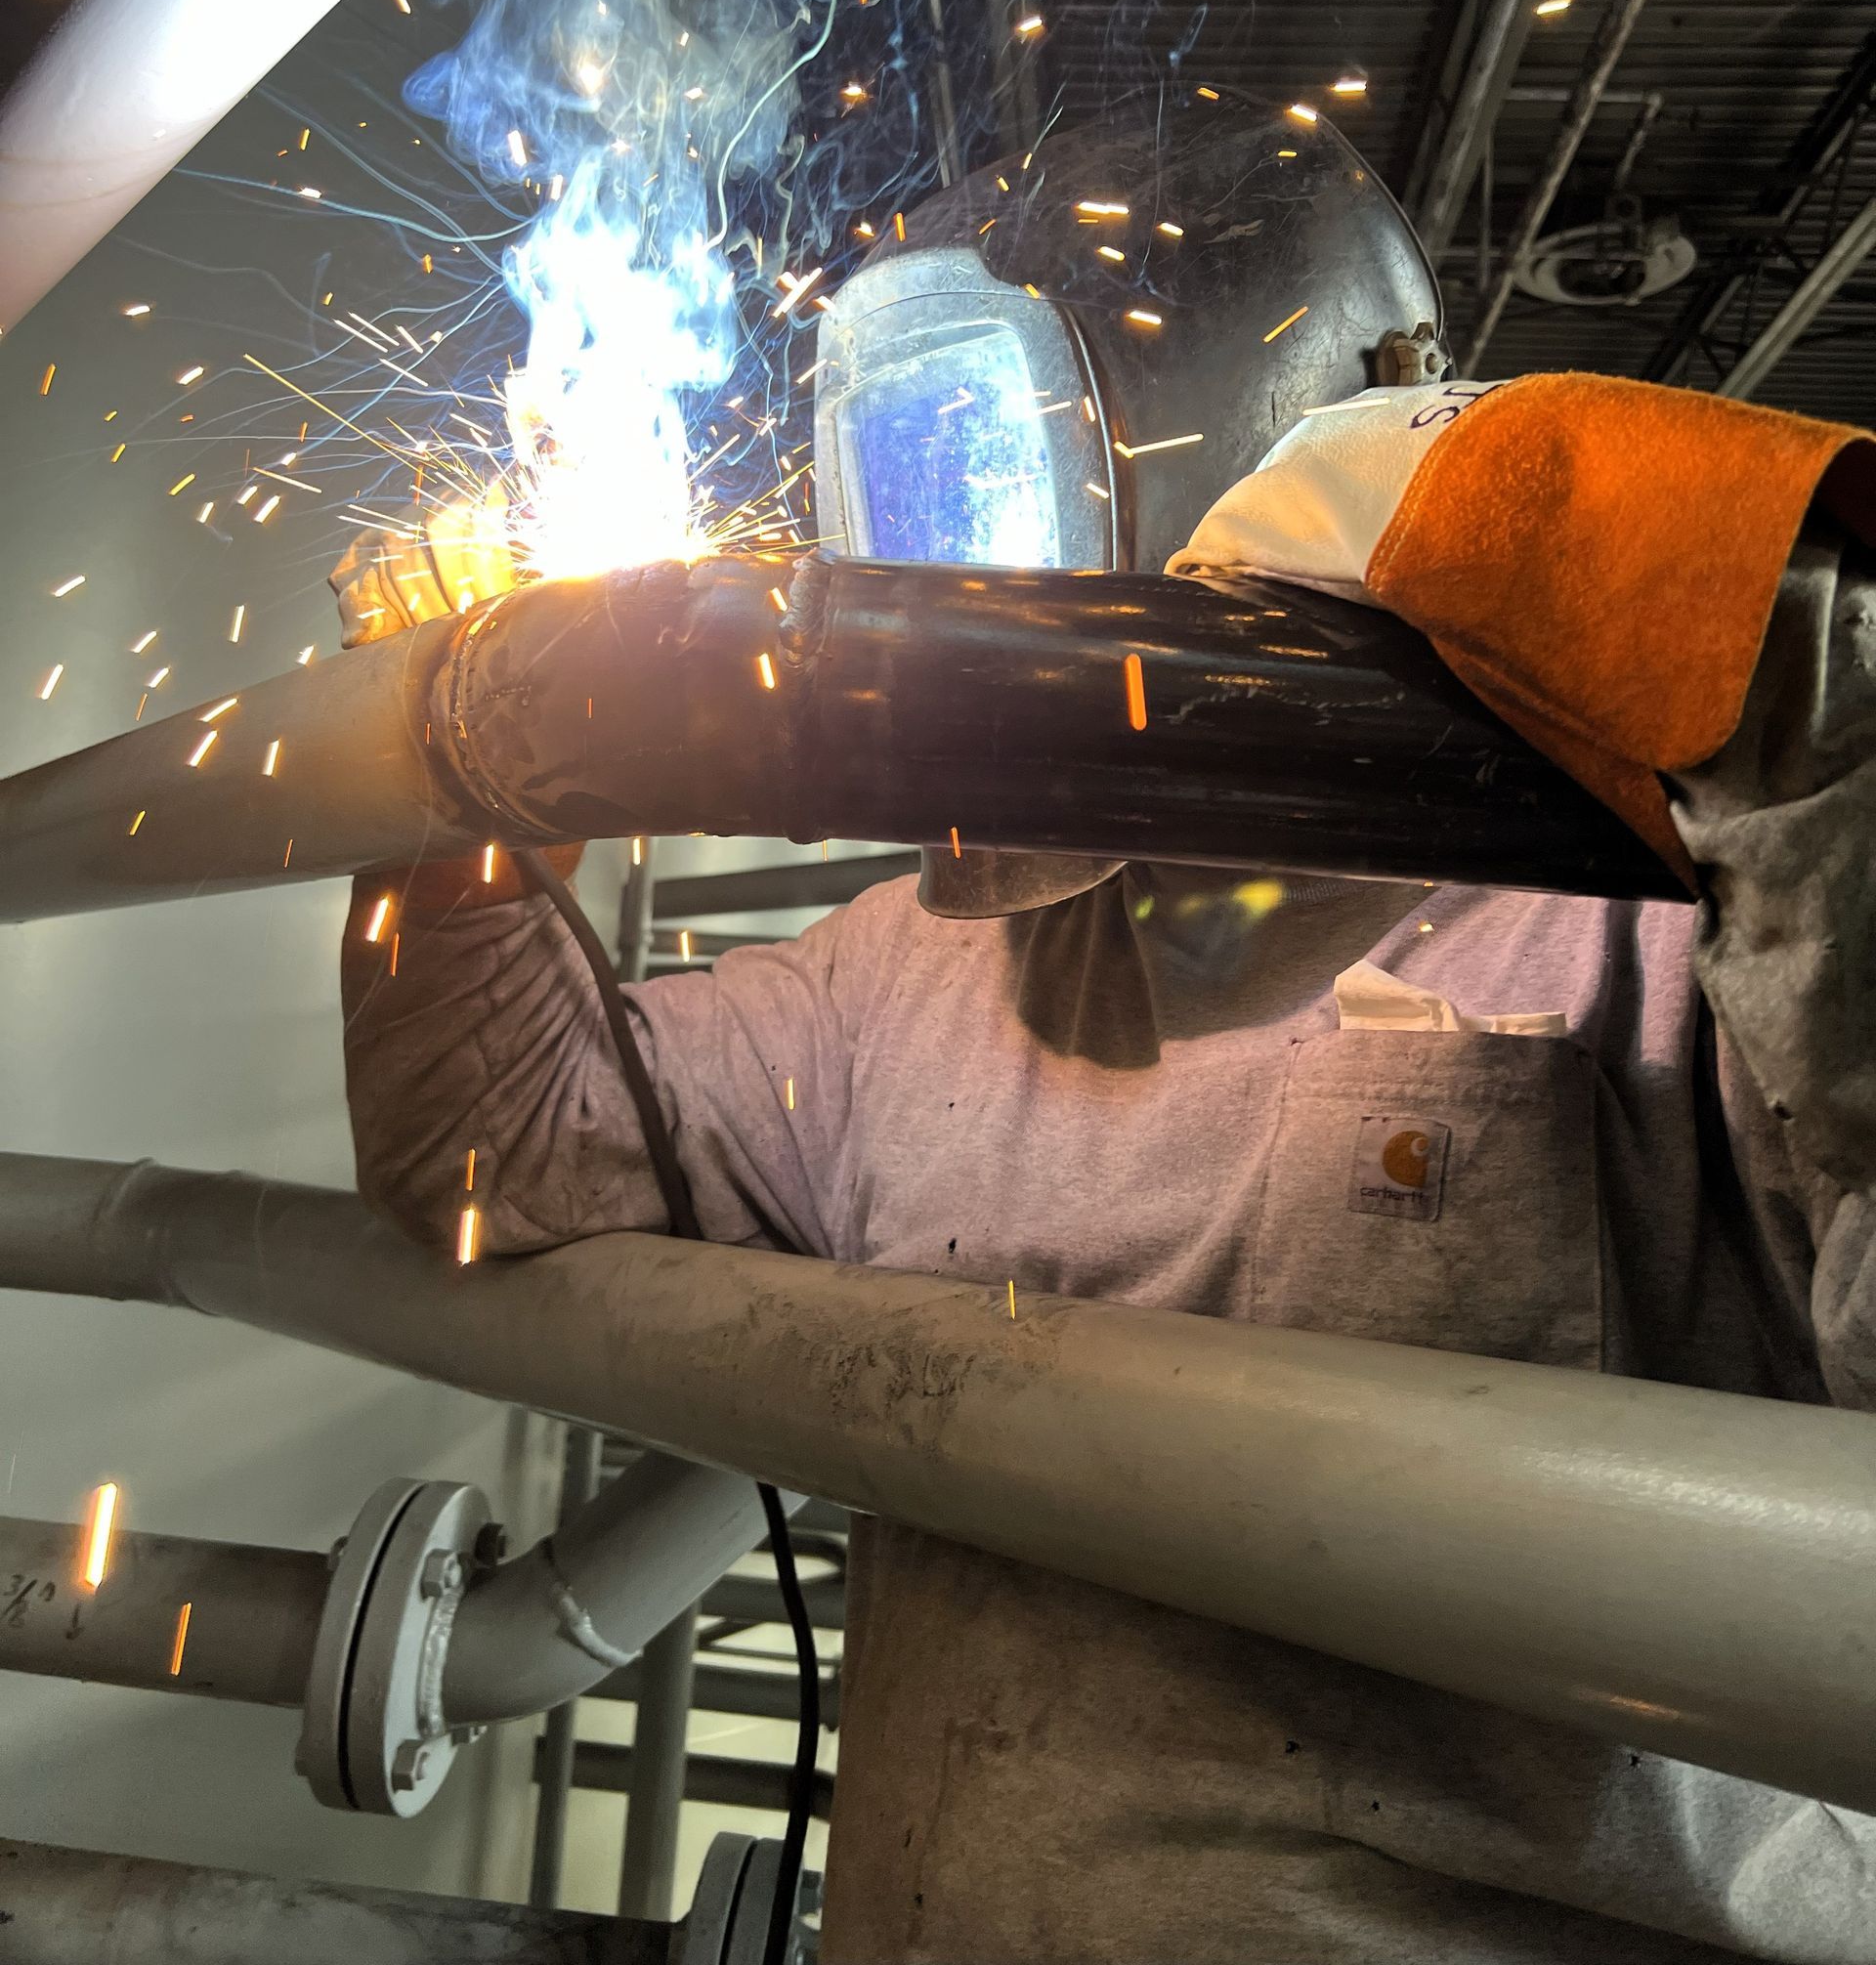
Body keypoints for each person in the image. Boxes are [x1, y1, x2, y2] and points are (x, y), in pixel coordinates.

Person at [335, 99, 1876, 1964]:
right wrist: (453, 824)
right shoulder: (906, 977)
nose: (925, 575)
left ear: (1299, 449)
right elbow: (496, 1162)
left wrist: (1758, 613)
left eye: (987, 459)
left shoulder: (1660, 939)